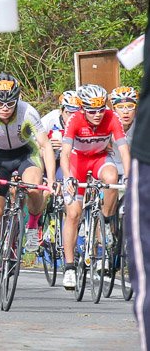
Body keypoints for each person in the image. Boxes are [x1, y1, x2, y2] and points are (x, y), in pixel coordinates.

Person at [0, 0, 150, 347]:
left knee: (44, 187)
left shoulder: (33, 116)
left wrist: (50, 180)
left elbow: (50, 151)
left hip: (37, 158)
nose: (6, 107)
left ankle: (38, 231)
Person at [0, 73, 56, 294]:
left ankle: (32, 224)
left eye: (10, 103)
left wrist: (53, 179)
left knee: (34, 187)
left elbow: (45, 146)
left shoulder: (28, 112)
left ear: (17, 99)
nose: (5, 108)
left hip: (26, 153)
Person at [60, 84, 130, 289]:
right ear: (82, 108)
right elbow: (64, 154)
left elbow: (124, 151)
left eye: (101, 109)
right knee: (73, 214)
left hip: (99, 158)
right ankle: (70, 267)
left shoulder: (111, 117)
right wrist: (67, 177)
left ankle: (105, 220)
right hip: (77, 162)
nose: (98, 114)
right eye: (92, 110)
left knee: (112, 177)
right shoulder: (74, 120)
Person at [41, 90, 82, 181]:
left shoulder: (83, 121)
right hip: (49, 157)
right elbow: (33, 142)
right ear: (61, 110)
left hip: (68, 158)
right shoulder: (50, 118)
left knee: (61, 180)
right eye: (69, 113)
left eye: (76, 113)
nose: (72, 117)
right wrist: (48, 144)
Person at [109, 86, 138, 180]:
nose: (125, 112)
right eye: (120, 107)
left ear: (136, 109)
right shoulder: (105, 124)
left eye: (130, 107)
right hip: (111, 166)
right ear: (113, 109)